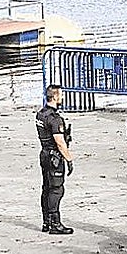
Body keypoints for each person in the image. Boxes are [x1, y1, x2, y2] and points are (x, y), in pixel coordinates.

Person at [35, 84, 74, 235]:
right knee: (56, 190)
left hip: (44, 154)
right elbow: (59, 142)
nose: (62, 98)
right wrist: (69, 159)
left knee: (46, 188)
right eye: (61, 95)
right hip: (54, 157)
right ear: (55, 96)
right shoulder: (55, 119)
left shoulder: (41, 114)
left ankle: (46, 221)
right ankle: (55, 223)